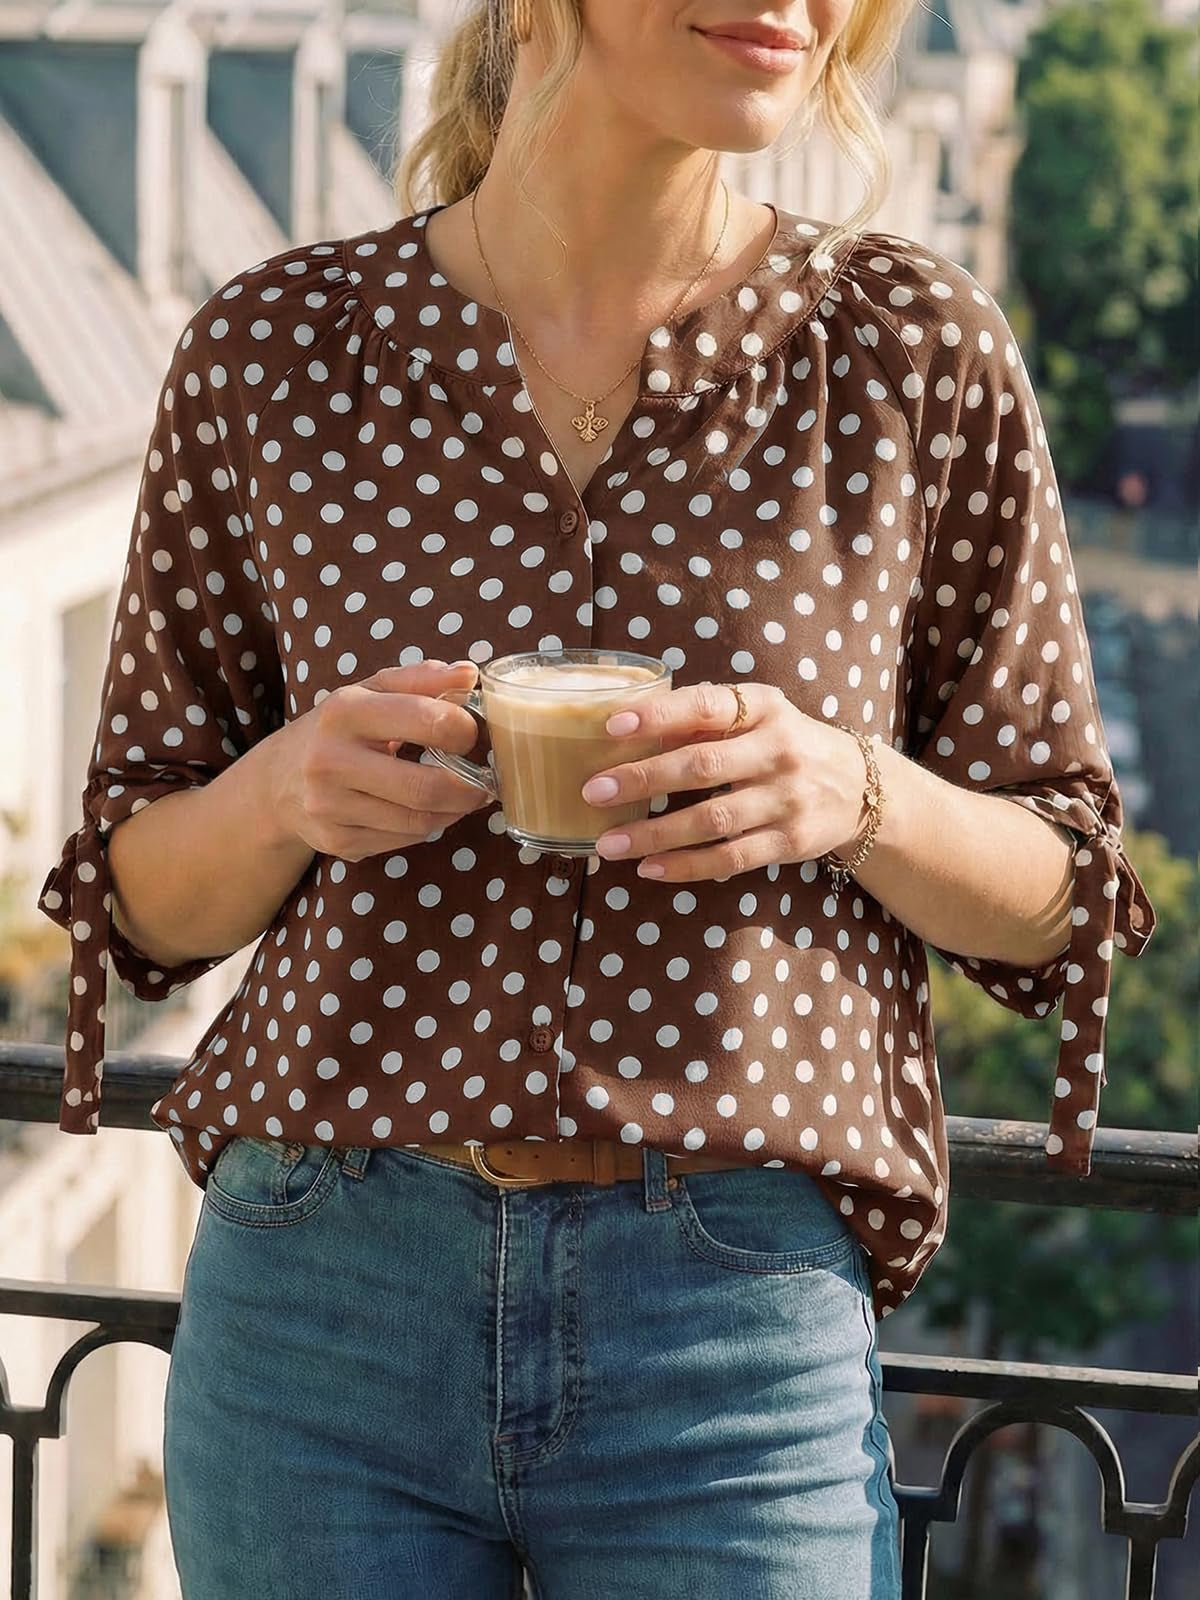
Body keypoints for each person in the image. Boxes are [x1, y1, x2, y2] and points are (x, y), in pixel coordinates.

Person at [37, 2, 1157, 1595]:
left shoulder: (909, 351)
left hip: (731, 1343)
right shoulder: (278, 352)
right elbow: (136, 898)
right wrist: (285, 791)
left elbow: (1066, 892)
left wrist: (852, 789)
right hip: (319, 1318)